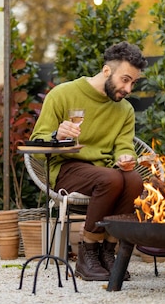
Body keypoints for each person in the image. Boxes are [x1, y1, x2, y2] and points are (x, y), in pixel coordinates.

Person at [30, 41, 148, 281]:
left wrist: (126, 157)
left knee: (134, 179)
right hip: (65, 167)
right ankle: (88, 253)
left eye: (133, 83)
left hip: (104, 172)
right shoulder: (63, 94)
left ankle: (108, 252)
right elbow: (36, 144)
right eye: (125, 80)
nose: (128, 88)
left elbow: (124, 145)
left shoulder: (124, 109)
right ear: (107, 71)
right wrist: (57, 135)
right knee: (111, 179)